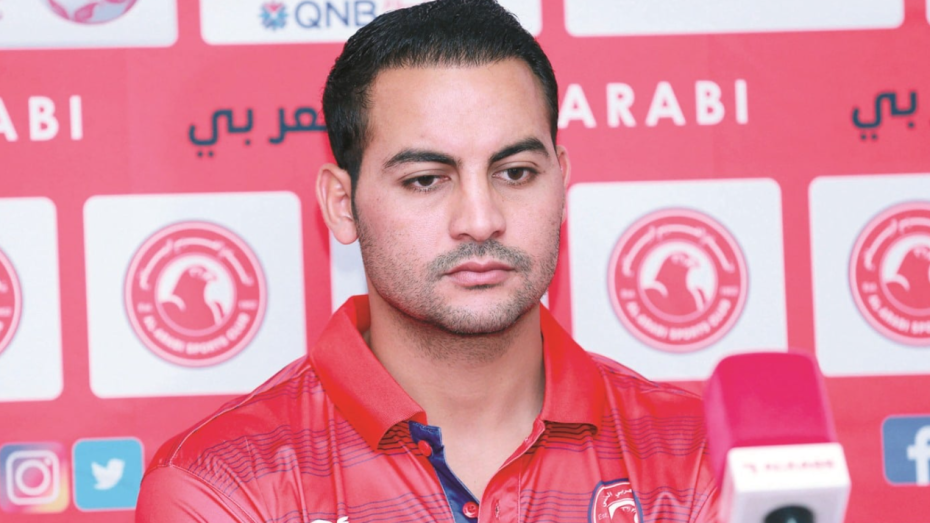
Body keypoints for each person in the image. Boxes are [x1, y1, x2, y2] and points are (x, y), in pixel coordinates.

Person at [135, 1, 719, 521]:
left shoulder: (701, 455)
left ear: (561, 183)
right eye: (425, 180)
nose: (481, 220)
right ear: (341, 205)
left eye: (516, 173)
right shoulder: (224, 482)